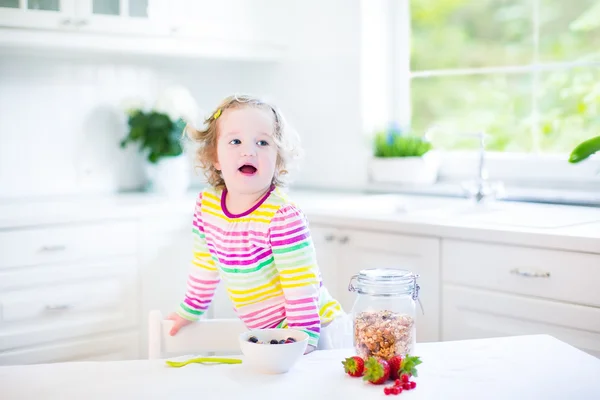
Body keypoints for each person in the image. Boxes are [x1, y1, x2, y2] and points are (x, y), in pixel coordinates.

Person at [167, 94, 351, 353]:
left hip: (317, 332)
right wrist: (190, 310)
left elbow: (301, 286)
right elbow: (204, 263)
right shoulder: (207, 206)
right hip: (271, 335)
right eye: (235, 141)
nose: (248, 150)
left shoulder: (282, 216)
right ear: (215, 157)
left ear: (278, 159)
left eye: (263, 142)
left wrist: (302, 340)